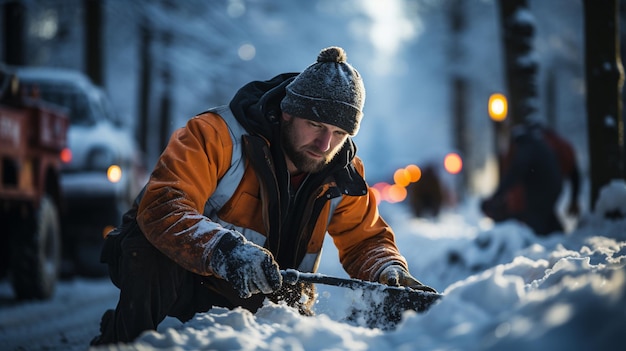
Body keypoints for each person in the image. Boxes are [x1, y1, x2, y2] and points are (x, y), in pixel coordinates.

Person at [91, 46, 436, 345]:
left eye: (339, 133)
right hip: (188, 284)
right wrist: (224, 251)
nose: (325, 145)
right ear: (288, 110)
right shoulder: (215, 135)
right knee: (147, 244)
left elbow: (366, 242)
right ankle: (124, 342)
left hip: (268, 306)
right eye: (315, 125)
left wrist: (389, 273)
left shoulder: (342, 172)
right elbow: (163, 207)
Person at [481, 121, 567, 235]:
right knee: (545, 215)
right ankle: (559, 235)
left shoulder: (526, 147)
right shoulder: (536, 144)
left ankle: (543, 241)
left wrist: (498, 194)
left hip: (543, 189)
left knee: (536, 219)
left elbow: (516, 171)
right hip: (551, 185)